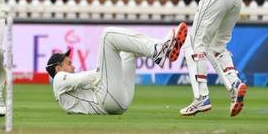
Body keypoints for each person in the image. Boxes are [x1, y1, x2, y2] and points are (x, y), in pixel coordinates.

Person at [45, 23, 188, 114]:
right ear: (58, 68)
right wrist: (103, 70)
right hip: (106, 101)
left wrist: (106, 71)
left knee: (128, 50)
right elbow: (88, 77)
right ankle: (158, 50)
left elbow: (91, 79)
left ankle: (162, 48)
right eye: (68, 63)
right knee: (108, 35)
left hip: (118, 101)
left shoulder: (64, 87)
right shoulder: (58, 79)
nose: (74, 65)